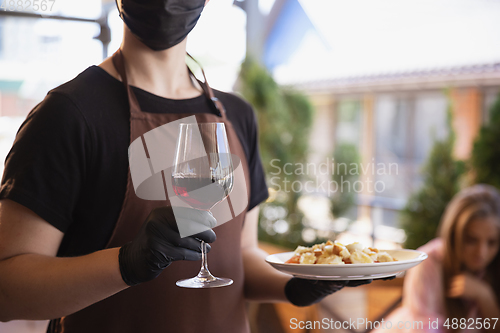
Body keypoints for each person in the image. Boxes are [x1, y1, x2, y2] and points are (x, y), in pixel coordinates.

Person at [0, 0, 376, 332]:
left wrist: (296, 282)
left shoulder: (237, 115)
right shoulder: (68, 116)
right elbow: (7, 289)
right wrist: (126, 263)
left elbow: (241, 254)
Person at [374, 184, 500, 333]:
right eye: (471, 240)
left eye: (491, 242)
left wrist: (485, 296)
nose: (482, 253)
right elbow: (423, 329)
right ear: (454, 235)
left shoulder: (493, 268)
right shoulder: (427, 262)